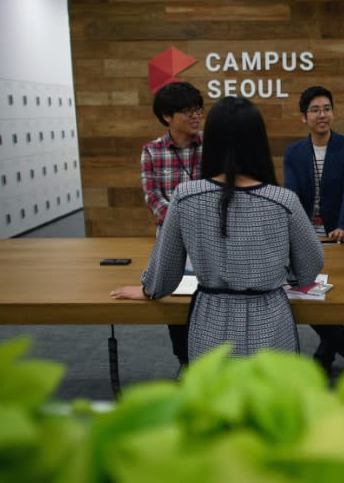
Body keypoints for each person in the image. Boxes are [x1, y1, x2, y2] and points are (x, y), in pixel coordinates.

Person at [111, 96, 324, 362]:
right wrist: (287, 275)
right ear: (259, 141)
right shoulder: (283, 200)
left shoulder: (185, 196)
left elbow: (166, 267)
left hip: (210, 319)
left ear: (210, 141)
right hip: (270, 320)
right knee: (271, 398)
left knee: (213, 397)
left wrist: (148, 289)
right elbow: (311, 265)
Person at [283, 86, 344, 373]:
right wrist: (300, 234)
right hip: (304, 234)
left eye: (327, 108)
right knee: (310, 296)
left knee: (335, 296)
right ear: (304, 117)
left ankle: (326, 352)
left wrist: (343, 225)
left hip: (337, 235)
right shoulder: (293, 152)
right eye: (315, 110)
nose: (322, 115)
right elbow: (290, 195)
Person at [140, 81, 204, 369]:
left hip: (208, 240)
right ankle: (184, 361)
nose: (196, 116)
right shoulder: (152, 151)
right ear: (167, 116)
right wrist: (184, 221)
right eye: (188, 111)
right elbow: (153, 197)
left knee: (208, 300)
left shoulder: (211, 146)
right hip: (171, 240)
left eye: (198, 110)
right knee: (173, 301)